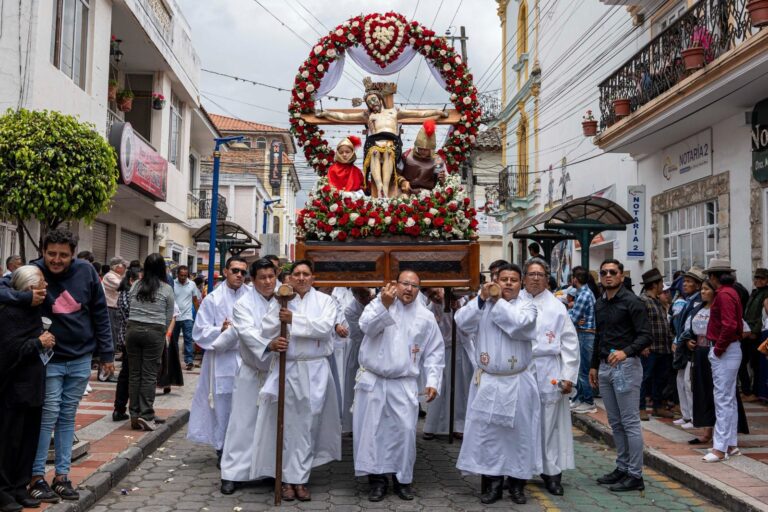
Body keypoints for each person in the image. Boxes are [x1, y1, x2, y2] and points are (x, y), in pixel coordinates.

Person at [8, 229, 114, 503]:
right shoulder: (33, 272)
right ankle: (36, 477)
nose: (56, 260)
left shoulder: (87, 272)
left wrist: (107, 353)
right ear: (43, 251)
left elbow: (101, 312)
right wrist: (25, 298)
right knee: (47, 416)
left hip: (80, 358)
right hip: (49, 359)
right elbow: (3, 289)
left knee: (68, 417)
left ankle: (63, 476)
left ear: (73, 254)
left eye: (63, 255)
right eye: (51, 254)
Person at [250, 260, 340, 502]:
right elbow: (266, 328)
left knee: (309, 424)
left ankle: (301, 478)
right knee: (287, 424)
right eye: (297, 274)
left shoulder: (325, 301)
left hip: (314, 369)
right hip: (288, 368)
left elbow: (323, 328)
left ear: (313, 277)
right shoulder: (280, 299)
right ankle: (287, 480)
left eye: (306, 274)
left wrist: (293, 320)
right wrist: (279, 322)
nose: (301, 278)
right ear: (290, 278)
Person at [353, 270, 444, 502]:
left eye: (414, 285)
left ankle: (402, 480)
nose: (409, 289)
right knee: (373, 432)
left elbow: (434, 352)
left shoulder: (425, 316)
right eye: (405, 284)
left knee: (403, 432)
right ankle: (377, 481)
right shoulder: (379, 304)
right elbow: (366, 327)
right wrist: (383, 305)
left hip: (403, 383)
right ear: (396, 284)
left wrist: (433, 381)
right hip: (374, 380)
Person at [454, 263, 541, 505]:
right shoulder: (482, 304)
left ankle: (516, 485)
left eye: (514, 279)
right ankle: (491, 484)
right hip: (489, 380)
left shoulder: (527, 305)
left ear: (521, 283)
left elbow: (521, 325)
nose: (509, 283)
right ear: (495, 280)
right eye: (504, 279)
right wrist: (482, 299)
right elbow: (462, 322)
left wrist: (497, 301)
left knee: (519, 435)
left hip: (517, 380)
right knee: (488, 435)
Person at [316, 80, 448, 198]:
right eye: (369, 102)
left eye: (374, 100)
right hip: (374, 142)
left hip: (392, 143)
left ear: (379, 99)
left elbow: (419, 114)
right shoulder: (367, 115)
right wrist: (327, 113)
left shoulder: (394, 112)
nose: (372, 104)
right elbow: (343, 117)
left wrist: (437, 112)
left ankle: (384, 189)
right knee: (374, 152)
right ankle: (379, 189)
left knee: (388, 153)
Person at [589, 258, 651, 492]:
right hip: (605, 367)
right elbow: (599, 336)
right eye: (603, 272)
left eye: (612, 272)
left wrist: (626, 352)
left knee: (630, 422)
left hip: (626, 367)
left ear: (621, 276)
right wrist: (594, 365)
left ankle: (635, 474)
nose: (607, 276)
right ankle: (622, 467)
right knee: (615, 423)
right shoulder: (600, 303)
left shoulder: (633, 302)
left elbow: (645, 336)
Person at [219, 258, 277, 495]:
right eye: (262, 277)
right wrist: (269, 344)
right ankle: (232, 473)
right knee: (242, 422)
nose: (267, 282)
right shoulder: (243, 304)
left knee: (271, 423)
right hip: (252, 371)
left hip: (276, 371)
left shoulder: (285, 299)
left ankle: (268, 470)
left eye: (271, 276)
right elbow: (247, 332)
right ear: (253, 280)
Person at [523, 258, 579, 496]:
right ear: (524, 277)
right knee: (521, 421)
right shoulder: (514, 302)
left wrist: (568, 375)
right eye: (531, 273)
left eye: (540, 274)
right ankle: (518, 471)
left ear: (547, 278)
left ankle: (551, 472)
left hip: (549, 368)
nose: (536, 278)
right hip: (522, 368)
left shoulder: (558, 307)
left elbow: (569, 342)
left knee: (550, 423)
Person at [0, 266, 53, 511]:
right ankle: (4, 491)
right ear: (30, 288)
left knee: (28, 440)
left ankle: (20, 487)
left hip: (34, 386)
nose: (46, 287)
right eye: (41, 283)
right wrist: (36, 343)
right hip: (13, 390)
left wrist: (45, 341)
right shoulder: (9, 313)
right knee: (9, 441)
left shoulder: (36, 310)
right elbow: (9, 352)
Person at [188, 257, 249, 465]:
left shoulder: (251, 297)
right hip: (221, 361)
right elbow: (199, 332)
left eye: (243, 271)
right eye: (235, 270)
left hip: (246, 359)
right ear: (225, 271)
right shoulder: (213, 299)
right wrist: (220, 331)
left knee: (245, 405)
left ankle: (243, 449)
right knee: (222, 406)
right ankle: (222, 448)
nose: (239, 275)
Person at [703, 259, 746, 462]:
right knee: (727, 399)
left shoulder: (724, 295)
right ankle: (730, 444)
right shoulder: (731, 292)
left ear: (713, 277)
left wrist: (718, 350)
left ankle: (720, 448)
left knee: (722, 399)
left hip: (725, 349)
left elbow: (728, 326)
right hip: (729, 349)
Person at [126, 253, 174, 432]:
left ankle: (134, 414)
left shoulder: (136, 285)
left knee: (134, 374)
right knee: (149, 375)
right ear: (162, 269)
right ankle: (146, 415)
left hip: (133, 330)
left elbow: (130, 305)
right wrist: (162, 333)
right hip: (154, 331)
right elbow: (169, 315)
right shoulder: (166, 288)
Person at [422, 287, 473, 441]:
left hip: (460, 349)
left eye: (437, 292)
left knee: (460, 390)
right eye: (431, 295)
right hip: (441, 352)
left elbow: (469, 327)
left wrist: (458, 311)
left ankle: (459, 425)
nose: (436, 297)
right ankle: (433, 425)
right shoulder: (429, 311)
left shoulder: (460, 301)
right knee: (438, 387)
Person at [638, 268, 675, 421]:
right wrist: (643, 345)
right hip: (650, 348)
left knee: (661, 378)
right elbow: (640, 324)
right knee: (645, 378)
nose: (662, 286)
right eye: (660, 283)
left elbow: (663, 324)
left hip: (663, 346)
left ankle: (658, 406)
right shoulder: (643, 301)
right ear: (654, 284)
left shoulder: (658, 302)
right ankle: (640, 408)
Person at [671, 266, 705, 430]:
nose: (685, 284)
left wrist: (687, 338)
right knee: (680, 379)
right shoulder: (688, 300)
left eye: (689, 282)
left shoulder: (698, 301)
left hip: (690, 343)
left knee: (688, 381)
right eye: (685, 281)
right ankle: (686, 414)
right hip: (682, 342)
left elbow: (693, 323)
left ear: (697, 285)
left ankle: (693, 416)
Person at [341, 287, 374, 434]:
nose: (365, 298)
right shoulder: (350, 310)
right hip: (359, 347)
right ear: (354, 296)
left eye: (367, 294)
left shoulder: (375, 303)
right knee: (353, 386)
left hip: (375, 348)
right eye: (361, 295)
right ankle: (351, 425)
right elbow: (362, 332)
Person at [113, 267, 140, 421]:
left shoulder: (125, 294)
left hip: (127, 338)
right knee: (128, 375)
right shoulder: (129, 295)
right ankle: (121, 408)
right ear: (131, 280)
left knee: (127, 374)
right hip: (129, 339)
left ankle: (120, 408)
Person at [569, 267, 597, 413]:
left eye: (573, 277)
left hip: (586, 334)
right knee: (580, 368)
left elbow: (573, 318)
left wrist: (567, 312)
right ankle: (579, 398)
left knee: (583, 370)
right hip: (584, 333)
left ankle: (588, 401)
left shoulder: (584, 295)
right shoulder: (584, 293)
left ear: (576, 279)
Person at [740, 268, 768, 402]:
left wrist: (754, 331)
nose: (758, 280)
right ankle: (749, 391)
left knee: (755, 363)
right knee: (747, 362)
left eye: (761, 278)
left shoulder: (766, 293)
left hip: (756, 332)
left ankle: (754, 392)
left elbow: (761, 316)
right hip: (747, 330)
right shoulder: (755, 292)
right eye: (756, 278)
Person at [398, 120, 446, 196]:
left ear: (431, 149)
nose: (423, 151)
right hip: (406, 193)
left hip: (428, 196)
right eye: (420, 148)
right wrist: (403, 182)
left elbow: (439, 182)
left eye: (426, 149)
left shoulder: (437, 160)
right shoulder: (406, 155)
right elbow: (396, 174)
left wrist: (442, 180)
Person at [171, 265, 201, 372]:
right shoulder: (172, 284)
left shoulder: (192, 284)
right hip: (174, 317)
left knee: (188, 339)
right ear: (177, 274)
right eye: (181, 275)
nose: (183, 277)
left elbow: (195, 300)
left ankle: (189, 361)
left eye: (185, 275)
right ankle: (173, 361)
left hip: (187, 316)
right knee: (173, 340)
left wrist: (198, 314)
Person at [102, 257, 127, 364]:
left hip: (116, 309)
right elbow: (122, 286)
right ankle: (107, 366)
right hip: (110, 308)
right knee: (111, 337)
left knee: (115, 336)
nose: (125, 268)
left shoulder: (119, 277)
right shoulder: (110, 276)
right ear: (117, 267)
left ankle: (109, 365)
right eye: (123, 266)